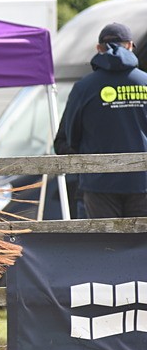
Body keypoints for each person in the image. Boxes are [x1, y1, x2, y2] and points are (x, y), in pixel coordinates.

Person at [53, 22, 147, 219]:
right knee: (141, 246)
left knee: (105, 245)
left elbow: (67, 140)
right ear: (130, 45)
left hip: (99, 185)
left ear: (98, 49)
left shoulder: (84, 88)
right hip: (143, 184)